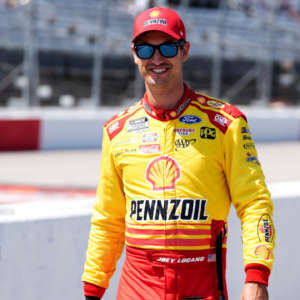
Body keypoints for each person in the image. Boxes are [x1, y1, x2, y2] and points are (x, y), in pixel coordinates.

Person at [82, 7, 275, 300]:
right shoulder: (116, 131)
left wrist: (257, 276)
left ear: (184, 51)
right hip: (136, 290)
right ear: (135, 55)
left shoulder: (226, 123)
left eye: (168, 47)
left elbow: (255, 204)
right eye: (146, 49)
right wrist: (93, 290)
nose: (156, 58)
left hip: (201, 289)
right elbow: (108, 219)